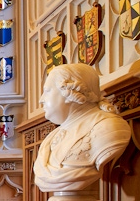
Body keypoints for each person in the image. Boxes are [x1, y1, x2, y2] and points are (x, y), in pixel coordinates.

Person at [33, 63, 132, 192]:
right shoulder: (51, 138)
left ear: (69, 92)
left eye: (47, 91)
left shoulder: (110, 128)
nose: (41, 100)